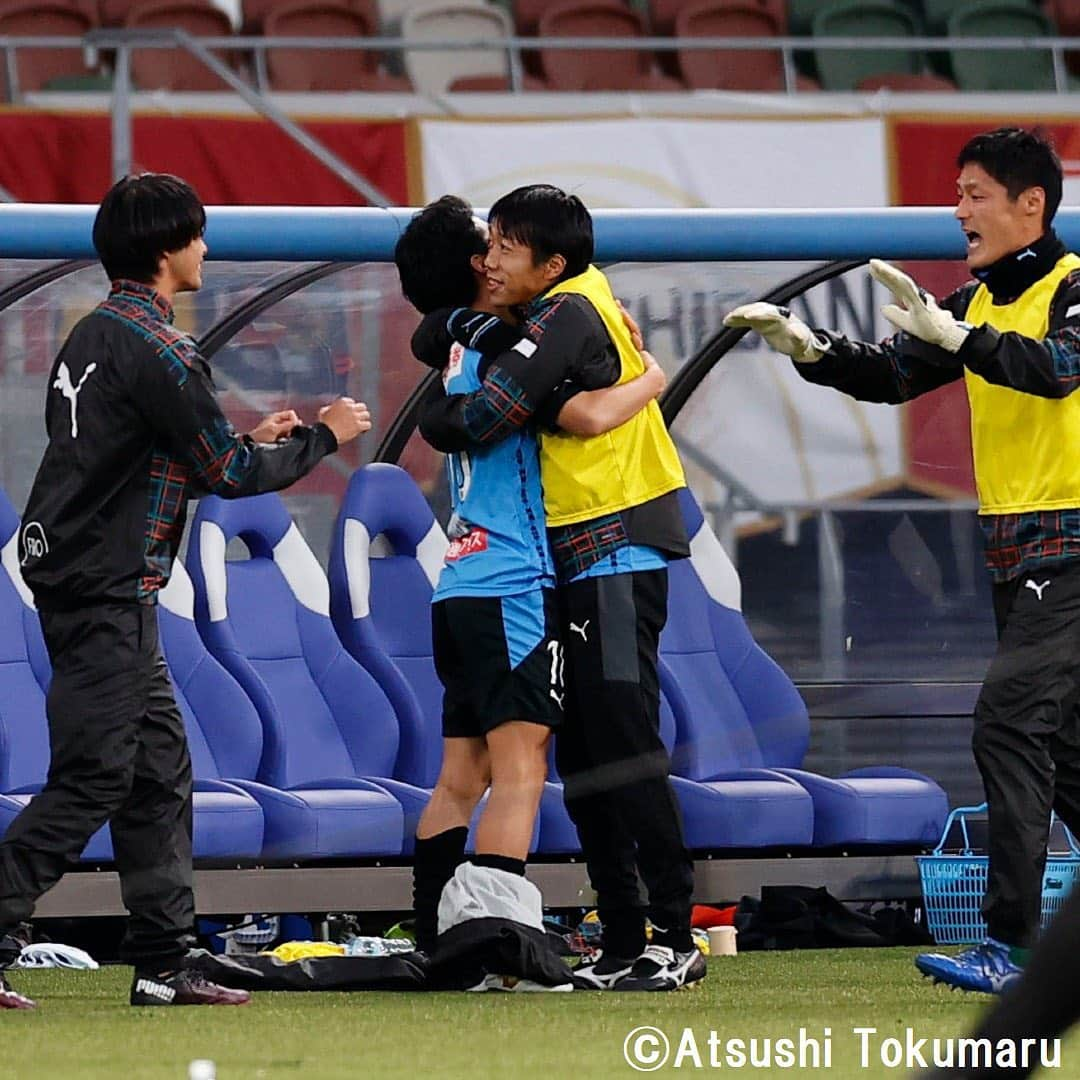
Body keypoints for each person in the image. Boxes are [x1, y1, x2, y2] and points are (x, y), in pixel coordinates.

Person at [0, 173, 371, 1011]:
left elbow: (144, 457)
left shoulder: (97, 334)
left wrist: (244, 436)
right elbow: (227, 473)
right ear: (168, 250)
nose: (206, 248)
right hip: (105, 590)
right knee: (95, 777)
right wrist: (321, 437)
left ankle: (165, 964)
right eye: (196, 235)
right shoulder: (165, 350)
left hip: (88, 581)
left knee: (159, 772)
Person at [725, 126, 1080, 996]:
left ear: (1031, 203)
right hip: (1017, 549)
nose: (957, 210)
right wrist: (807, 350)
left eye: (973, 193)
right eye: (956, 193)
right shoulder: (975, 301)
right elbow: (890, 375)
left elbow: (1061, 370)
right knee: (1064, 754)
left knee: (1005, 723)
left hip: (1073, 544)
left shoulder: (1073, 289)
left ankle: (1014, 951)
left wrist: (964, 344)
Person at [417, 184, 704, 992]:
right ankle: (621, 936)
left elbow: (480, 418)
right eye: (490, 243)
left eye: (508, 245)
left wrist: (441, 407)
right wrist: (647, 382)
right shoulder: (546, 317)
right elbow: (573, 418)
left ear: (551, 262)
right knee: (585, 755)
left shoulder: (568, 311)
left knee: (623, 743)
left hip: (613, 549)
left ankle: (674, 934)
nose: (492, 258)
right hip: (573, 556)